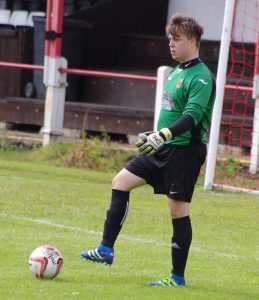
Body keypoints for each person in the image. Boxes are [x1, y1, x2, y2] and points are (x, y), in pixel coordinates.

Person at [81, 13, 216, 287]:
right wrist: (158, 136)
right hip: (160, 147)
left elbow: (191, 117)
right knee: (120, 182)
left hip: (183, 153)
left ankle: (177, 278)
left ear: (192, 41)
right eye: (169, 39)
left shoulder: (201, 77)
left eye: (176, 39)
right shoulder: (177, 71)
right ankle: (106, 250)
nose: (171, 44)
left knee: (178, 211)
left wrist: (163, 134)